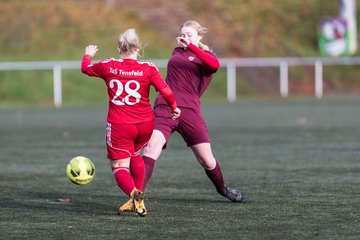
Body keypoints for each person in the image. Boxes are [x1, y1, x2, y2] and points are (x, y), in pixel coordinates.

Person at [119, 20, 247, 212]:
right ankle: (137, 198)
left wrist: (193, 47)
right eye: (183, 34)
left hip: (190, 112)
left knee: (206, 160)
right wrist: (188, 47)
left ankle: (223, 189)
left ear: (199, 37)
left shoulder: (205, 57)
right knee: (151, 149)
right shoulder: (177, 52)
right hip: (165, 107)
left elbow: (214, 65)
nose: (184, 37)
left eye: (189, 34)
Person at [81, 28, 181, 217]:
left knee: (119, 166)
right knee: (136, 153)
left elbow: (85, 69)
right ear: (138, 48)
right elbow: (166, 91)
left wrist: (88, 55)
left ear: (120, 48)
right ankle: (138, 200)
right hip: (145, 124)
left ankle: (134, 194)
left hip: (120, 125)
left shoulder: (108, 65)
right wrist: (174, 108)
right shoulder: (149, 68)